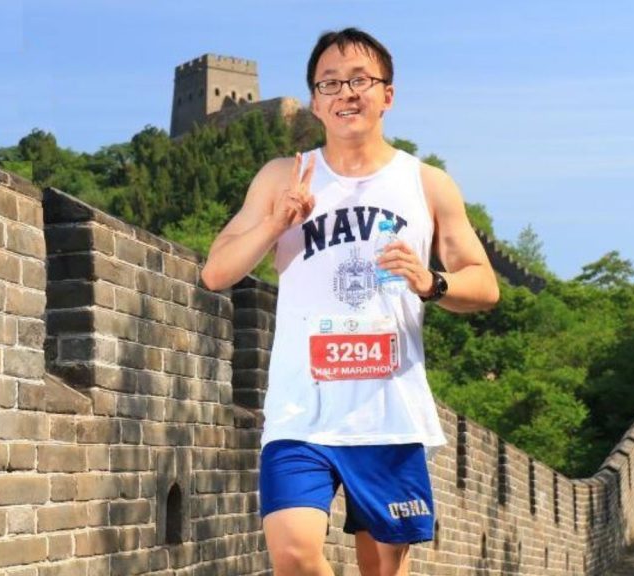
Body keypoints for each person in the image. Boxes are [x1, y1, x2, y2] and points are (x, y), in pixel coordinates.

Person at [200, 28, 500, 576]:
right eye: (331, 83)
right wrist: (274, 223)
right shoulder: (281, 177)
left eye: (361, 80)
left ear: (388, 93)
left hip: (386, 413)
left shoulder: (427, 184)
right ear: (315, 101)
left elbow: (484, 284)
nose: (347, 93)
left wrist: (432, 282)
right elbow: (216, 272)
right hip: (301, 411)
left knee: (383, 570)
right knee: (293, 554)